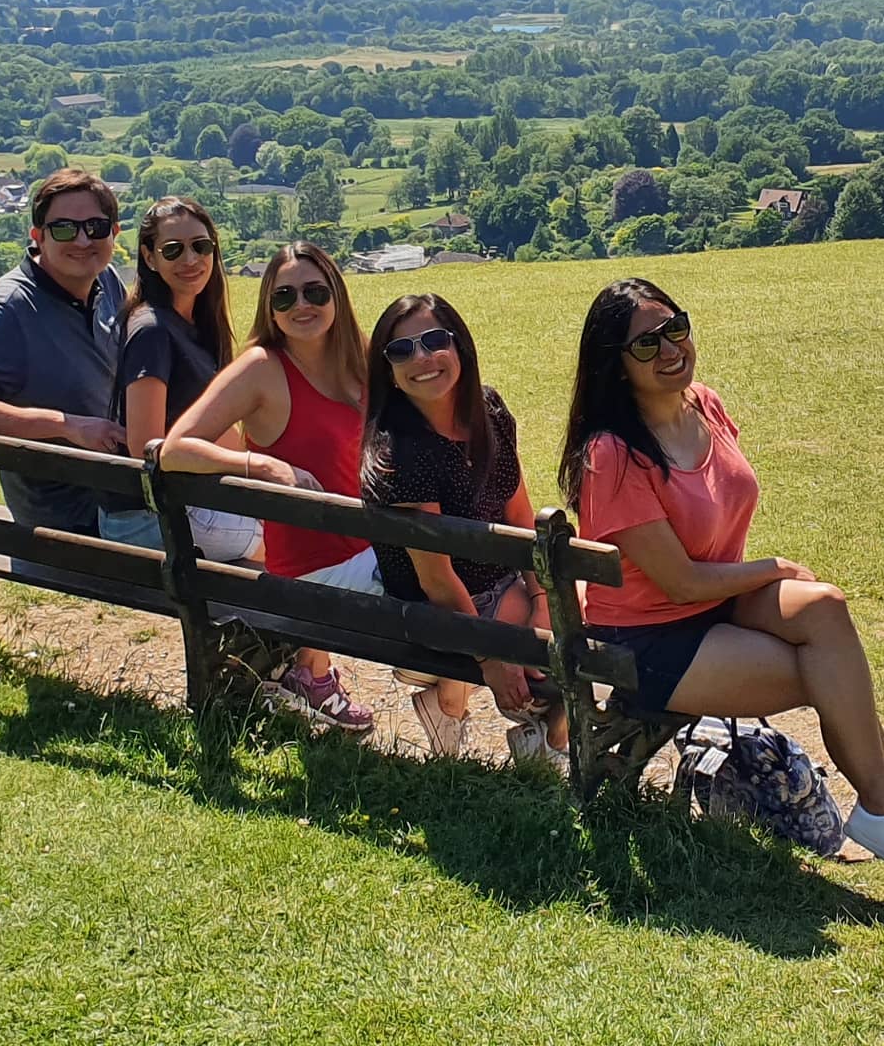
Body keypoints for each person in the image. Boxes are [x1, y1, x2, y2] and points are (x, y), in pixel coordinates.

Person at [558, 278, 884, 912]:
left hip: (718, 602)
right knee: (827, 673)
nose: (669, 350)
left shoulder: (705, 406)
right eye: (645, 345)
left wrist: (770, 579)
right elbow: (680, 582)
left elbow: (714, 553)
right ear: (615, 362)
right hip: (652, 637)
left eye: (675, 328)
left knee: (825, 608)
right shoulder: (612, 453)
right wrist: (773, 569)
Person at [159, 242, 377, 734]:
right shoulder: (261, 368)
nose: (301, 305)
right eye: (285, 297)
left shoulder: (359, 358)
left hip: (364, 550)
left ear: (337, 296)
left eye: (315, 291)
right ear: (269, 309)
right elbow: (175, 449)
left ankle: (312, 673)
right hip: (313, 572)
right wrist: (262, 465)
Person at [362, 293, 565, 765]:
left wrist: (540, 599)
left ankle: (452, 702)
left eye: (435, 341)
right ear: (387, 369)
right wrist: (490, 657)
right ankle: (545, 753)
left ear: (460, 348)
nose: (422, 358)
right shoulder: (401, 452)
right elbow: (436, 579)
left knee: (574, 619)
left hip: (497, 581)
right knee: (572, 655)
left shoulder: (488, 411)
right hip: (438, 605)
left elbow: (518, 514)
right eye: (401, 350)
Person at [0, 168, 126, 535]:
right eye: (64, 228)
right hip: (72, 518)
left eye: (96, 227)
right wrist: (67, 426)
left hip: (120, 490)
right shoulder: (12, 305)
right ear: (38, 237)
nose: (83, 240)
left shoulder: (108, 280)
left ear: (114, 232)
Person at [97, 197, 262, 562]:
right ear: (149, 257)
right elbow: (147, 446)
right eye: (173, 250)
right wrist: (251, 467)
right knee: (296, 538)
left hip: (180, 503)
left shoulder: (194, 325)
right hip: (148, 517)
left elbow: (207, 423)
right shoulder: (152, 330)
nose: (190, 260)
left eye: (200, 246)